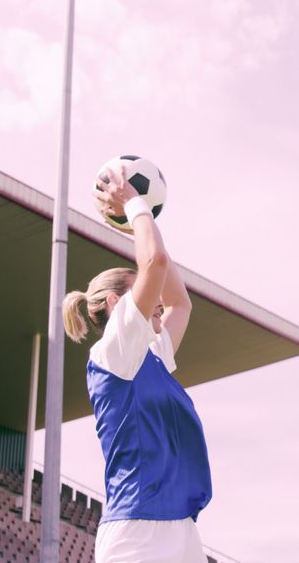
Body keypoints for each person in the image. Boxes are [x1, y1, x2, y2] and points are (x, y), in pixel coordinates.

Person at [62, 165, 211, 563]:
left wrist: (138, 225)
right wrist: (133, 205)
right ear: (116, 305)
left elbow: (181, 300)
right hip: (138, 531)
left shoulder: (154, 352)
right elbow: (155, 264)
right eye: (146, 293)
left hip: (181, 527)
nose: (158, 300)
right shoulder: (114, 350)